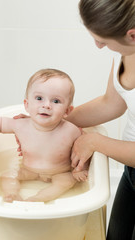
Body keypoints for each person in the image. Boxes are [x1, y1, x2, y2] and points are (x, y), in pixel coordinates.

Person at [65, 0, 135, 239]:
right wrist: (59, 121)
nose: (97, 46)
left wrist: (95, 143)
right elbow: (111, 103)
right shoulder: (127, 51)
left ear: (132, 35)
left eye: (102, 41)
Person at [0, 68, 87, 203]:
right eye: (39, 98)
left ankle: (39, 198)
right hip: (29, 170)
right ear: (27, 105)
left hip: (60, 172)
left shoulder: (71, 131)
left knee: (66, 182)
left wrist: (80, 169)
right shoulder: (21, 125)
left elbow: (84, 151)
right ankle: (11, 194)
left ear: (67, 111)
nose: (46, 105)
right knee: (8, 176)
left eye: (56, 101)